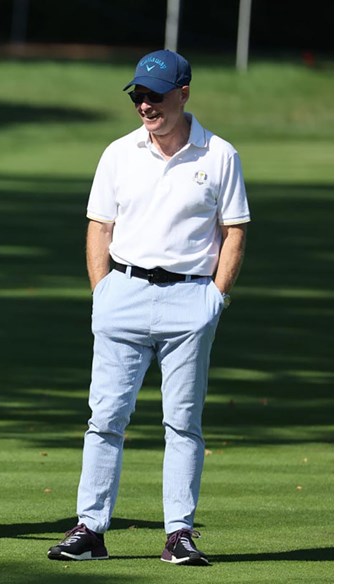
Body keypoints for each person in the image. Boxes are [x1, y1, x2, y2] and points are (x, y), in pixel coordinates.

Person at [46, 49, 250, 565]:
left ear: (183, 93)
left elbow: (234, 231)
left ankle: (179, 532)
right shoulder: (119, 152)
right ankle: (90, 528)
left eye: (154, 96)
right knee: (105, 417)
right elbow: (99, 226)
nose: (144, 106)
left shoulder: (219, 155)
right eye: (138, 95)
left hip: (190, 298)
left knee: (182, 421)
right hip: (124, 294)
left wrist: (215, 297)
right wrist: (104, 291)